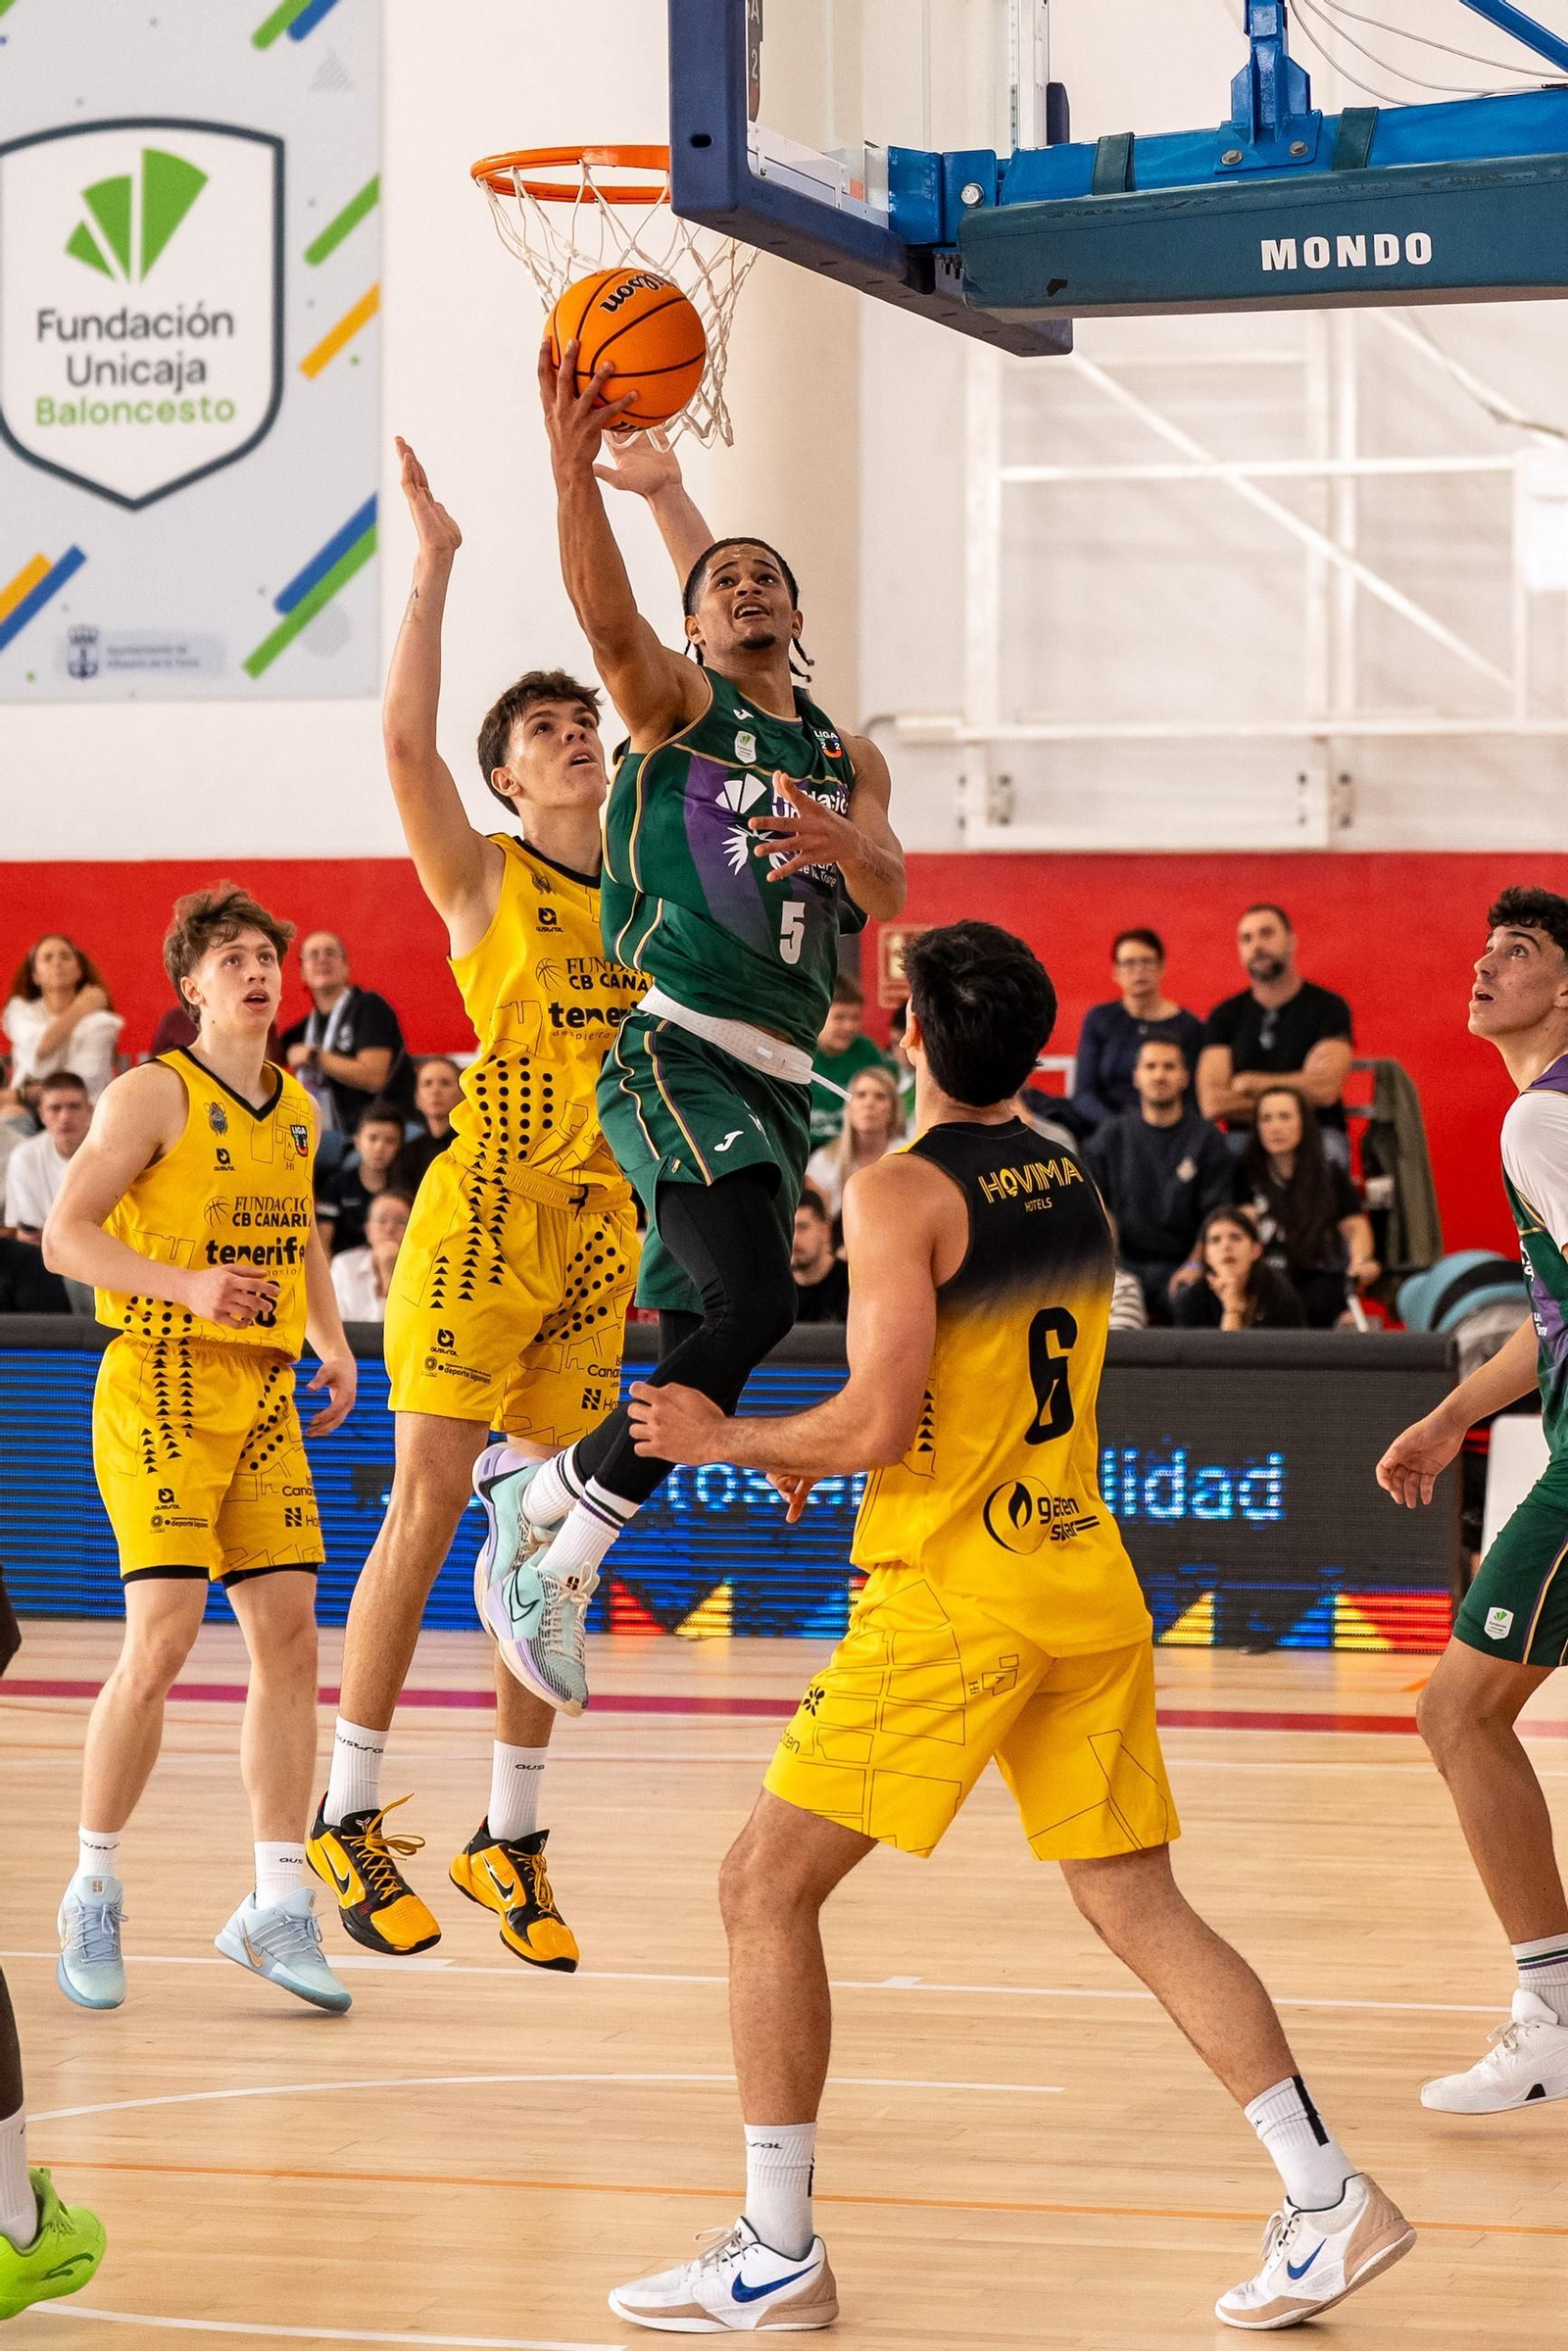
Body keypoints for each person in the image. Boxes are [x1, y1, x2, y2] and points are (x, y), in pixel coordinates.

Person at [609, 919, 1411, 2334]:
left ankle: (776, 2247)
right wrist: (822, 1444)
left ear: (909, 1033)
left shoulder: (897, 1188)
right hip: (1080, 1573)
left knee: (760, 1886)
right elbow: (938, 1400)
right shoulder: (1075, 1176)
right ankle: (1324, 2189)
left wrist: (722, 1428)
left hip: (959, 1594)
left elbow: (878, 1419)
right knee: (1138, 1897)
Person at [471, 365, 905, 1719]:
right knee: (755, 1305)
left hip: (780, 1079)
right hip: (674, 1048)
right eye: (724, 583)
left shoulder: (843, 750)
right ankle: (558, 1546)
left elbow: (888, 891)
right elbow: (611, 619)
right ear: (696, 628)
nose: (750, 585)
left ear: (796, 609)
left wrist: (853, 849)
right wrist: (575, 477)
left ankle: (538, 1494)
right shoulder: (675, 706)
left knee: (749, 1314)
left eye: (767, 574)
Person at [307, 439, 640, 1974]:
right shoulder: (489, 880)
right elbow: (400, 747)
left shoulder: (654, 898)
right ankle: (348, 1805)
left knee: (555, 1543)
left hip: (601, 1235)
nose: (577, 739)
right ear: (512, 775)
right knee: (433, 1503)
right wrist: (432, 563)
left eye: (587, 724)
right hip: (487, 1210)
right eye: (550, 730)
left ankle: (508, 1834)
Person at [42, 884, 355, 2019]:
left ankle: (275, 1902)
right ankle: (92, 1881)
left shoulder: (300, 1103)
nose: (256, 969)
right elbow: (68, 1235)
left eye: (264, 953)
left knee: (287, 1634)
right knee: (164, 1637)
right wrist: (186, 1283)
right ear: (190, 985)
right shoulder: (150, 1091)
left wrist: (329, 1337)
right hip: (161, 1377)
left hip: (262, 1386)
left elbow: (300, 1228)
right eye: (230, 957)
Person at [1377, 885, 1568, 2114]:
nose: (1485, 962)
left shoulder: (1539, 1126)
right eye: (1484, 944)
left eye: (1522, 949)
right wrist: (1452, 1414)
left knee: (1458, 1713)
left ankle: (1549, 2017)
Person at [1085, 1038, 1232, 1320]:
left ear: (1185, 1077)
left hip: (1185, 1264)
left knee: (1192, 1299)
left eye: (1169, 1067)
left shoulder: (1207, 1139)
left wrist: (1195, 1264)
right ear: (1136, 1076)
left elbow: (1215, 1215)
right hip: (1124, 1264)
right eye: (1150, 1066)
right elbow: (1098, 1210)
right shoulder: (1110, 1137)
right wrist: (1110, 1268)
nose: (1159, 1075)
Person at [1198, 906, 1354, 1161]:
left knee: (1329, 1161)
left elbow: (1325, 1090)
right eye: (1247, 938)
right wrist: (1300, 1089)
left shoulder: (1328, 1007)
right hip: (1244, 1138)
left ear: (1291, 941)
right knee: (1216, 1169)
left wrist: (1249, 1083)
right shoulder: (1224, 1015)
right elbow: (1213, 1103)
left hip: (1318, 1132)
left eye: (1266, 933)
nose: (1256, 945)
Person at [1238, 1086, 1379, 1328]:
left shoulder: (1329, 1173)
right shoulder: (1245, 1173)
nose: (1275, 1127)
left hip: (1318, 1278)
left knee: (1320, 1297)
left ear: (1303, 1122)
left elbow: (1355, 1226)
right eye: (1266, 1118)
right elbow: (1238, 1227)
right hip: (1266, 1278)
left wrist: (1362, 1259)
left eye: (1285, 1117)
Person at [1070, 928, 1204, 1133]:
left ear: (1162, 967)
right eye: (1129, 963)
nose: (1138, 970)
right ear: (1115, 972)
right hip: (1108, 1132)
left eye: (1147, 961)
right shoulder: (1099, 1019)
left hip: (1172, 1133)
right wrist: (1120, 1129)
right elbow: (1084, 1095)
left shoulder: (1189, 1027)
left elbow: (1194, 1100)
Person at [281, 931, 411, 1137]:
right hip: (335, 1135)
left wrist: (315, 1056)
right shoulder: (307, 1027)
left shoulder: (369, 1006)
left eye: (330, 952)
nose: (322, 959)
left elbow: (373, 1077)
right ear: (302, 973)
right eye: (313, 955)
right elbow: (265, 1056)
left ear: (345, 967)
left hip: (388, 1133)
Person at [1, 934, 122, 1115]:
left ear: (79, 970)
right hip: (28, 1111)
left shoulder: (101, 1022)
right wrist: (81, 1008)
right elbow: (39, 1052)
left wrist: (22, 1093)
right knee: (9, 1116)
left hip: (83, 1114)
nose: (57, 962)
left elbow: (79, 1087)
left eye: (65, 956)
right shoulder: (19, 1012)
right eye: (47, 958)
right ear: (35, 974)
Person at [1173, 1205, 1306, 1332]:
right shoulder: (1192, 1300)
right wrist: (1232, 1308)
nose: (1226, 1246)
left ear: (1255, 1250)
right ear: (1206, 1255)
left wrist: (1233, 1309)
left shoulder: (1281, 1297)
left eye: (1235, 1237)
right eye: (1215, 1240)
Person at [803, 1064, 905, 1225]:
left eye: (880, 1096)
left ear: (893, 1110)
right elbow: (818, 1226)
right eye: (861, 1095)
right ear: (848, 1106)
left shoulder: (908, 1157)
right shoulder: (822, 1163)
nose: (869, 1103)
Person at [3, 1073, 92, 1240]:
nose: (65, 1117)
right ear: (42, 1114)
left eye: (74, 1107)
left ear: (89, 1110)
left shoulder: (111, 1152)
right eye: (55, 1108)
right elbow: (28, 1232)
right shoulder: (24, 1157)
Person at [315, 1096, 406, 1256]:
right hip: (345, 1270)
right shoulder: (337, 1184)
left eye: (390, 1141)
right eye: (372, 1138)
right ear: (357, 1141)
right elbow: (323, 1242)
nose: (379, 1147)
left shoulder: (407, 1185)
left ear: (400, 1146)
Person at [809, 973, 885, 1148]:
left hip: (852, 1151)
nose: (849, 1026)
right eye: (840, 1017)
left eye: (855, 1018)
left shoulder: (866, 1051)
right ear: (817, 1015)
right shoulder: (798, 1050)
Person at [330, 1188, 412, 1322]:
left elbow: (407, 1326)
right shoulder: (344, 1265)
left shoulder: (424, 1271)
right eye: (381, 1220)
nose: (389, 1229)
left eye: (400, 1222)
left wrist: (388, 1275)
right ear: (368, 1229)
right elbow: (336, 1323)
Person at [391, 1053, 462, 1194]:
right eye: (427, 1084)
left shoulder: (475, 1148)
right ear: (417, 1098)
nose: (435, 1091)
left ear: (462, 1095)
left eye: (445, 1083)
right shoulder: (407, 1154)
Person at [790, 1189, 850, 1324]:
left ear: (825, 1230)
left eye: (802, 1227)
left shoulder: (851, 1285)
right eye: (789, 1229)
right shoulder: (776, 1289)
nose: (794, 1239)